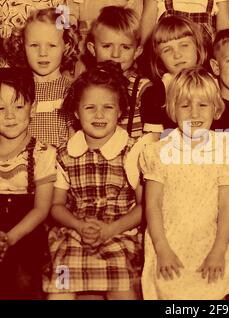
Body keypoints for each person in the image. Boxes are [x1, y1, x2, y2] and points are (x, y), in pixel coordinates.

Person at [141, 67, 229, 299]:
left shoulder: (225, 152)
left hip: (209, 245)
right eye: (185, 105)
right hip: (168, 245)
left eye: (203, 105)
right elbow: (153, 205)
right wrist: (162, 249)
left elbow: (228, 206)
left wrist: (219, 250)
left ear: (216, 109)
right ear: (172, 110)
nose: (193, 113)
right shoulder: (158, 152)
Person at [43, 62, 143, 300]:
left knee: (121, 283)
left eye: (108, 107)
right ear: (76, 113)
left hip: (119, 232)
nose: (99, 115)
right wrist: (77, 225)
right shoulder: (66, 154)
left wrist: (111, 229)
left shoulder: (132, 151)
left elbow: (145, 206)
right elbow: (56, 206)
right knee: (61, 284)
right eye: (90, 108)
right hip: (76, 233)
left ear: (120, 111)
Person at [0, 67, 55, 299]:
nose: (9, 115)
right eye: (0, 108)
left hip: (25, 230)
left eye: (18, 106)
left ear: (32, 108)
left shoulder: (42, 153)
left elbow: (42, 209)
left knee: (23, 279)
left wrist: (9, 238)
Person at [4, 8, 79, 148]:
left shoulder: (73, 90)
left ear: (66, 46)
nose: (42, 53)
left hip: (58, 165)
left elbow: (75, 139)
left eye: (51, 45)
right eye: (34, 45)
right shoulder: (17, 91)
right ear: (22, 46)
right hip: (25, 164)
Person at [85, 6, 151, 138]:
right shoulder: (85, 86)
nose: (115, 54)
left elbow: (151, 137)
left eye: (125, 47)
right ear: (92, 49)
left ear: (137, 52)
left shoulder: (143, 88)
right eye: (107, 46)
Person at [140, 15, 208, 141]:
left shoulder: (212, 83)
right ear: (158, 58)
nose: (177, 55)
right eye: (167, 50)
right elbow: (152, 141)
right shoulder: (155, 94)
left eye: (184, 45)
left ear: (198, 47)